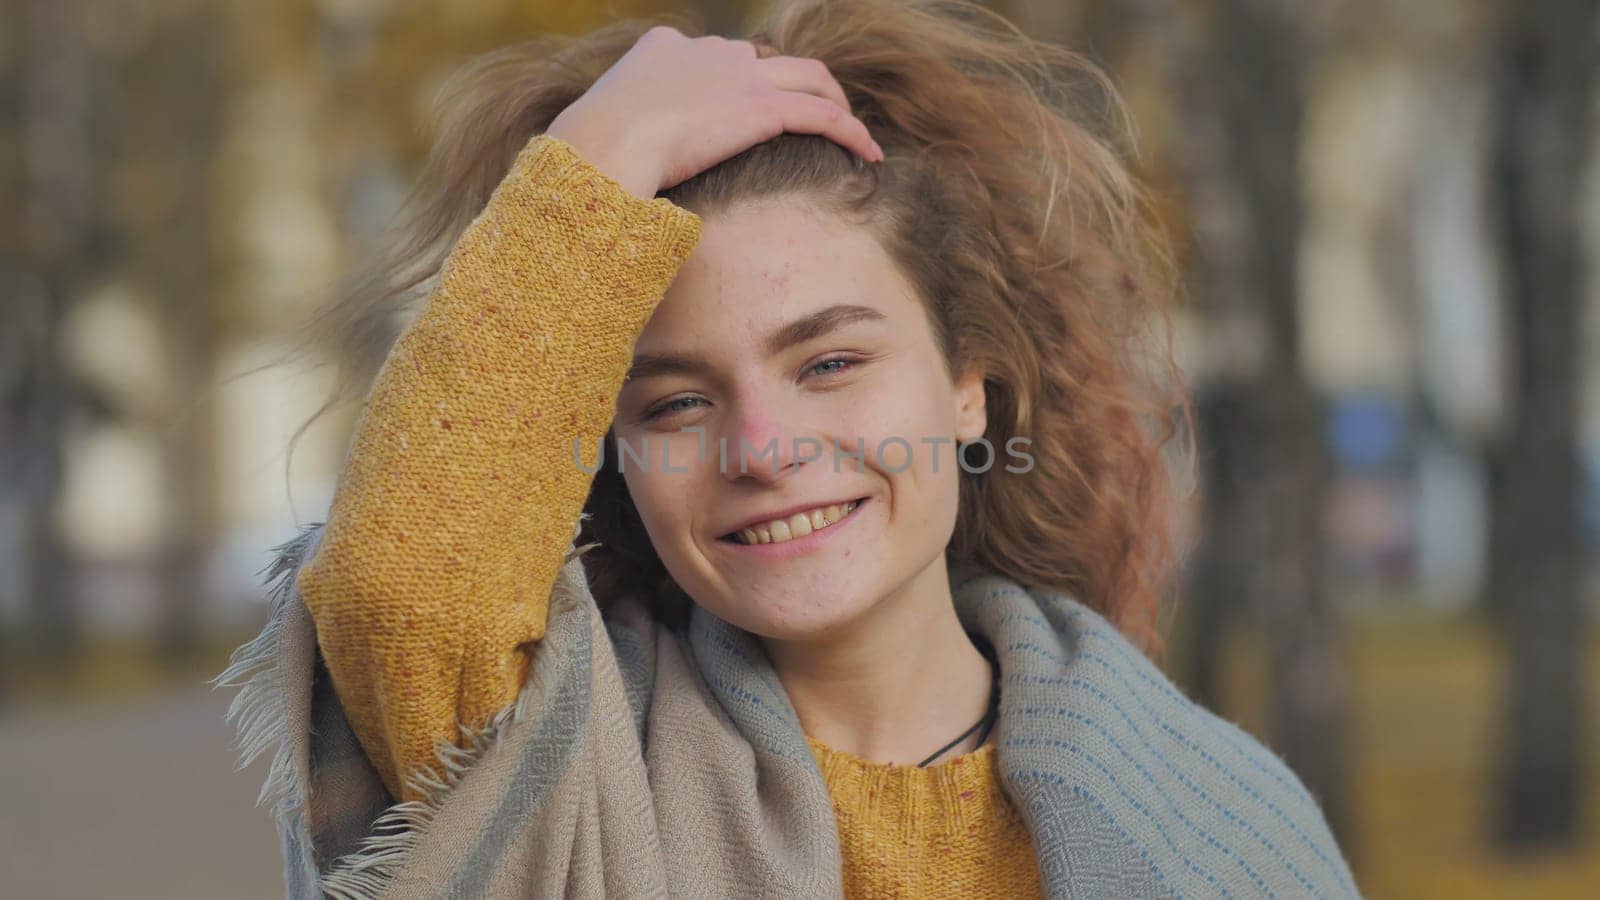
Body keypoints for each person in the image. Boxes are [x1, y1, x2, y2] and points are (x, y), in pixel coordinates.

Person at [215, 1, 1359, 896]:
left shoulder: (1223, 826)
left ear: (968, 389)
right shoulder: (555, 764)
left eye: (829, 364)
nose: (761, 446)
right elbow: (398, 588)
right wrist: (601, 151)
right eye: (674, 406)